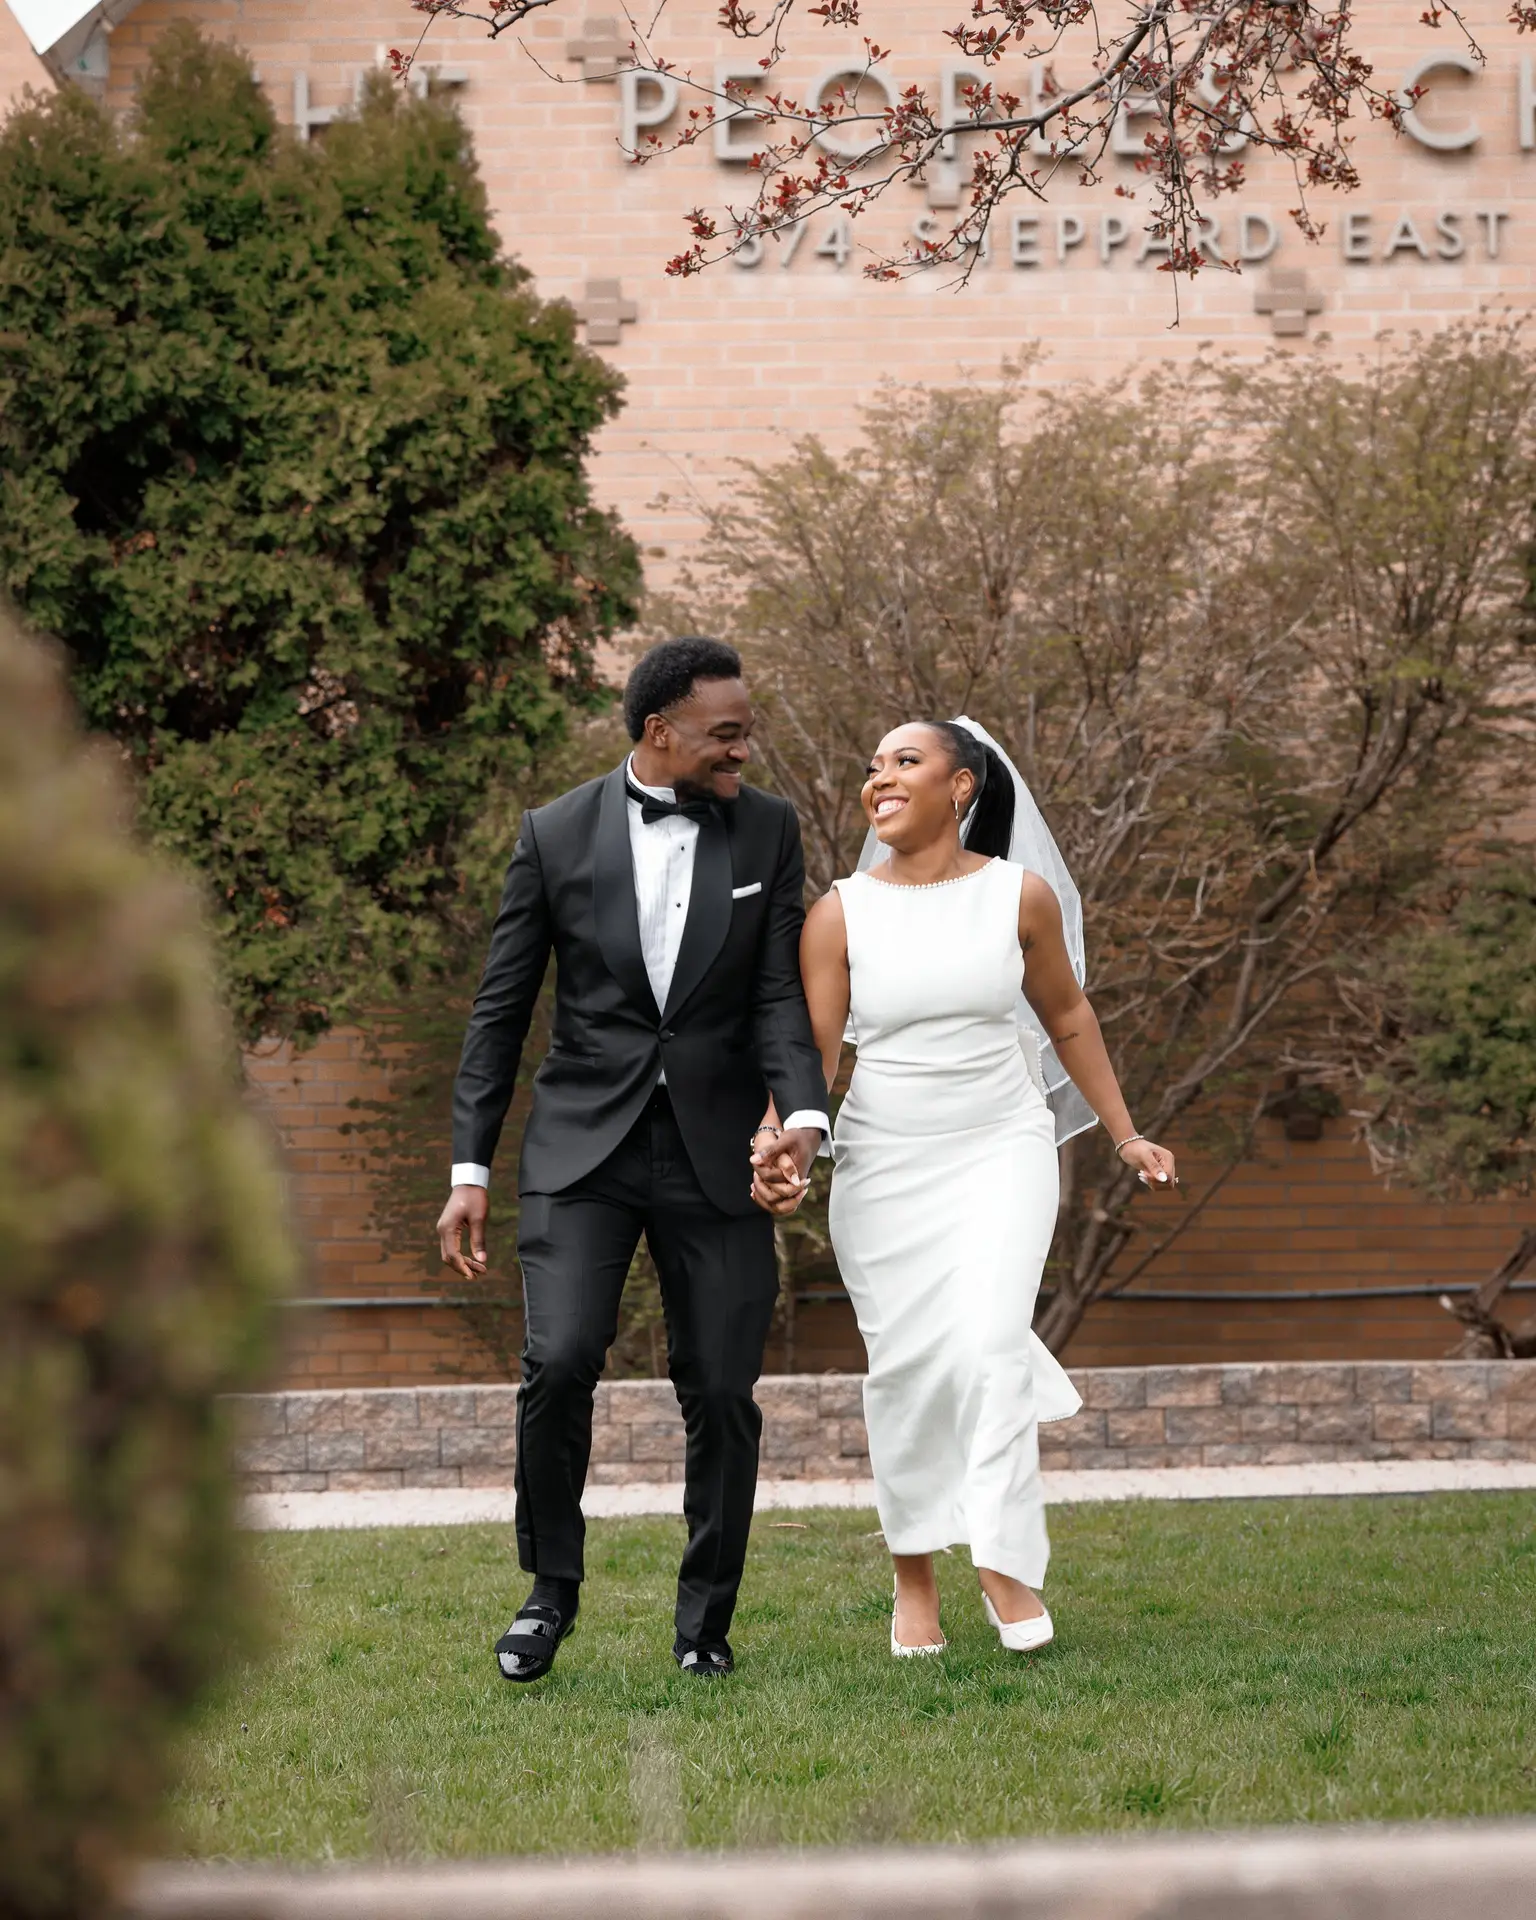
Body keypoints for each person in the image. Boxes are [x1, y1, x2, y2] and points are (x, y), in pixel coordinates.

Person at [438, 637, 828, 1683]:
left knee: (720, 1387)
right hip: (582, 1150)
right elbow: (500, 1010)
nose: (745, 749)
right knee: (559, 1360)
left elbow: (780, 997)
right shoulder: (555, 834)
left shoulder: (770, 831)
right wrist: (469, 1170)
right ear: (662, 733)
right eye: (726, 733)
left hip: (717, 1155)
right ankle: (548, 1593)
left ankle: (705, 1625)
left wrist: (802, 1118)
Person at [755, 718, 1176, 1657]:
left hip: (1002, 1144)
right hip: (885, 1160)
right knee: (905, 1367)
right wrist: (781, 1141)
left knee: (990, 1344)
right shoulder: (840, 913)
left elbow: (1067, 1015)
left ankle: (1003, 1558)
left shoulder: (1018, 898)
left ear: (964, 786)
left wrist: (1126, 1131)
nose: (881, 780)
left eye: (906, 762)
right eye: (872, 768)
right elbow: (815, 1058)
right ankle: (914, 1577)